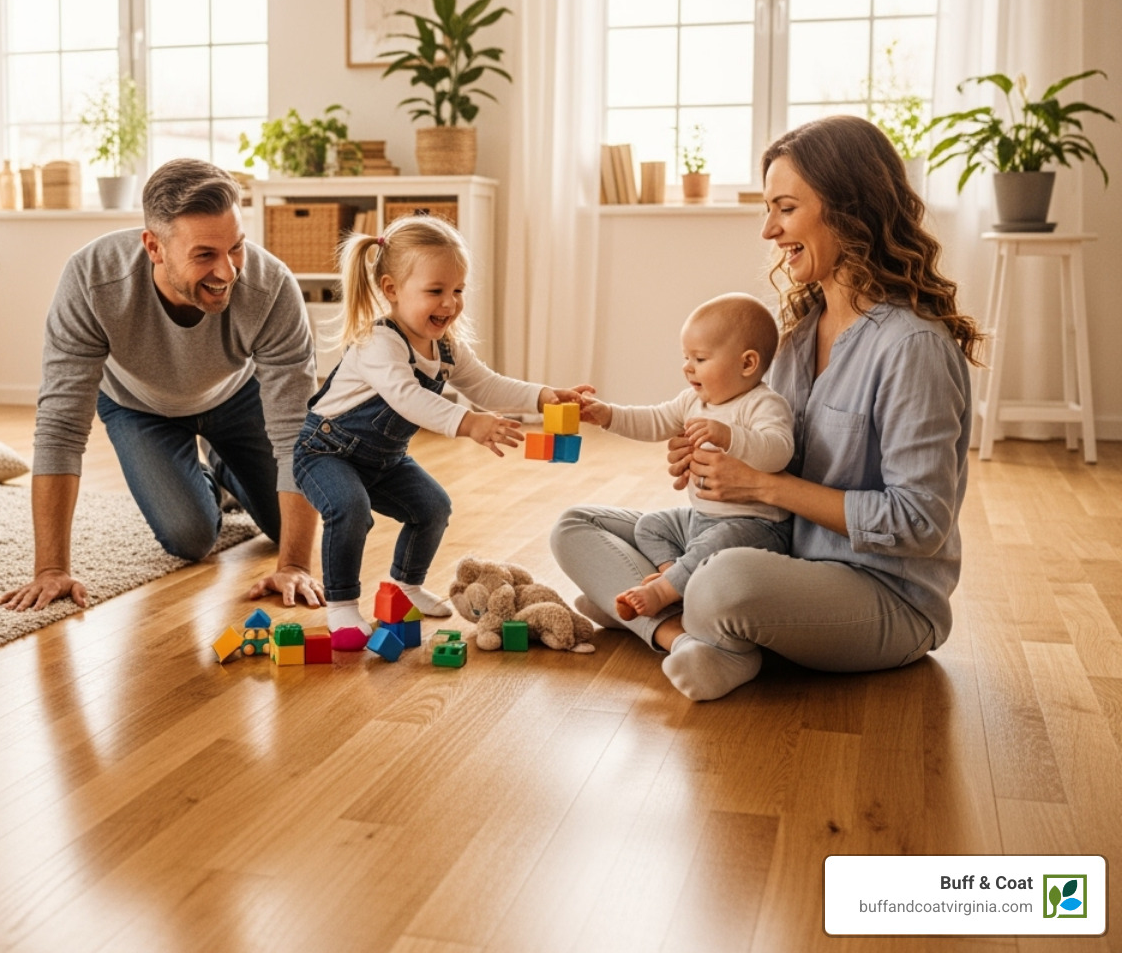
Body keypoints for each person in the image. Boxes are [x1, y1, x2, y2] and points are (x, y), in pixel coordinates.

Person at [552, 115, 980, 701]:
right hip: (781, 553)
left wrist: (762, 486)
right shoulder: (800, 336)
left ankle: (655, 618)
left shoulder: (913, 347)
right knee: (577, 526)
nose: (768, 231)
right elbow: (772, 450)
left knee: (722, 579)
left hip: (885, 597)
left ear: (848, 208)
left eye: (784, 208)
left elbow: (920, 523)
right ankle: (682, 640)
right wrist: (714, 460)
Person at [0, 159, 324, 612]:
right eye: (205, 254)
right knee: (191, 538)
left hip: (237, 397)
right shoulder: (93, 281)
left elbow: (296, 437)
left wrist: (295, 565)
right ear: (154, 247)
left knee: (285, 527)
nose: (228, 271)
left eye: (236, 248)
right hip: (138, 406)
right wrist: (51, 569)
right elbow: (60, 429)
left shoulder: (271, 289)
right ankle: (206, 483)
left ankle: (227, 468)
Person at [295, 216, 591, 648]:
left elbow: (487, 384)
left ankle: (404, 586)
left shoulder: (447, 345)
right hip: (326, 451)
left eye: (458, 291)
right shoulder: (379, 342)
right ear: (392, 289)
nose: (450, 303)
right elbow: (405, 396)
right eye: (436, 291)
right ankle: (341, 604)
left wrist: (545, 396)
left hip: (383, 459)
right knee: (350, 508)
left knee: (432, 507)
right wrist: (469, 423)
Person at [574, 292, 793, 621]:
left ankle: (663, 591)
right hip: (702, 518)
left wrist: (730, 436)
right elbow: (652, 420)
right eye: (686, 357)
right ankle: (675, 574)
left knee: (719, 542)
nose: (687, 367)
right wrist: (606, 415)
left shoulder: (764, 404)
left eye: (700, 359)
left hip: (756, 525)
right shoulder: (692, 401)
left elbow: (778, 451)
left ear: (747, 363)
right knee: (650, 526)